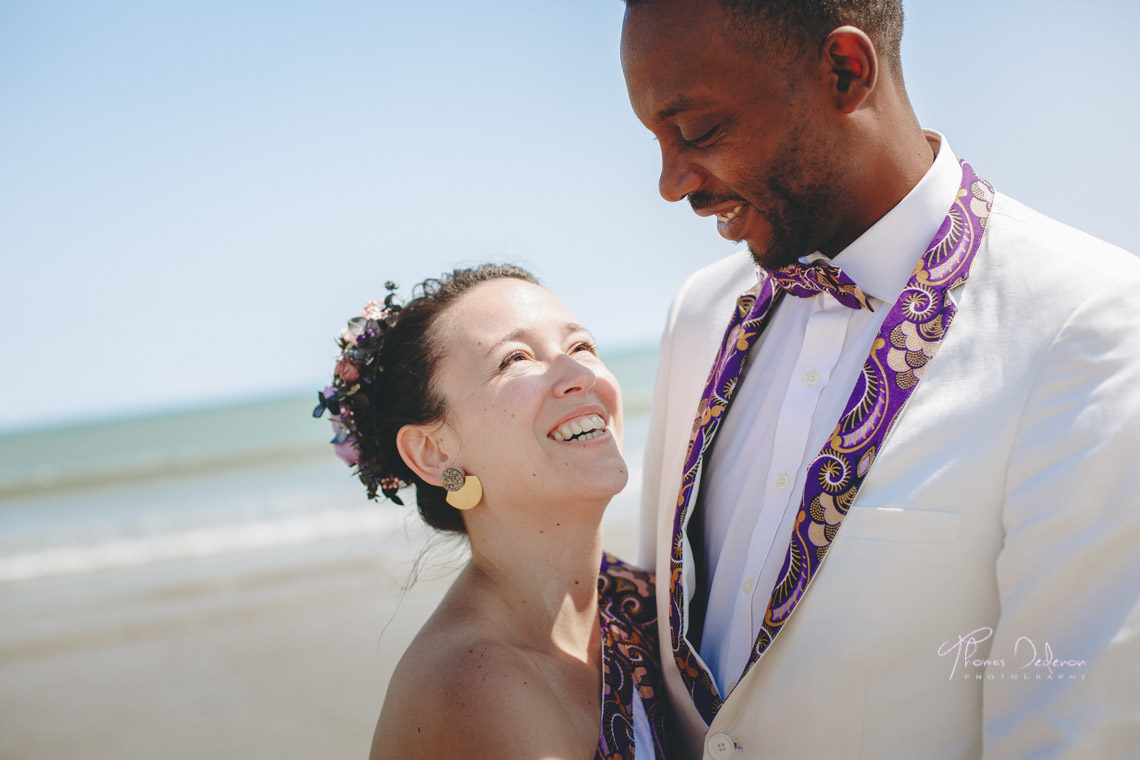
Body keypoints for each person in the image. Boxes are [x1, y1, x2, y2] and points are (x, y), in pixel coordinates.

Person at [620, 1, 1140, 758]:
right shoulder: (700, 313)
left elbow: (1069, 734)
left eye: (697, 131)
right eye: (656, 141)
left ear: (844, 72)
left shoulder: (1086, 324)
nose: (672, 184)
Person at [313, 264, 671, 760]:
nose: (578, 375)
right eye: (514, 359)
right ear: (434, 454)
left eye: (581, 346)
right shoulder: (474, 686)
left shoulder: (642, 602)